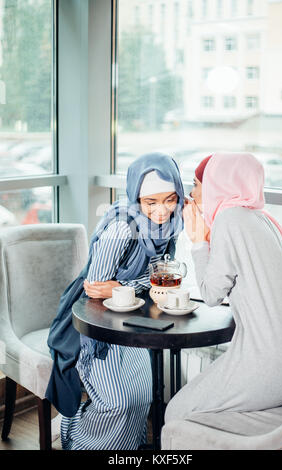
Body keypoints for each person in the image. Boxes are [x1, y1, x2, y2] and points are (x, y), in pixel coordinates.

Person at [46, 152, 184, 450]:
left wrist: (122, 287)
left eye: (170, 199)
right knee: (118, 402)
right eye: (151, 202)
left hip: (131, 320)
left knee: (143, 397)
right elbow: (95, 289)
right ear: (136, 197)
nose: (163, 210)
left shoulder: (171, 226)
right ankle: (76, 435)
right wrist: (137, 286)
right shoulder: (122, 228)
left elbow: (154, 278)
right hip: (95, 324)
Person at [164, 152, 282, 424]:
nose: (192, 194)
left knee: (175, 412)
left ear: (217, 186)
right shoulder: (262, 219)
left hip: (269, 366)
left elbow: (212, 295)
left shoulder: (229, 220)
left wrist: (199, 241)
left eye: (197, 185)